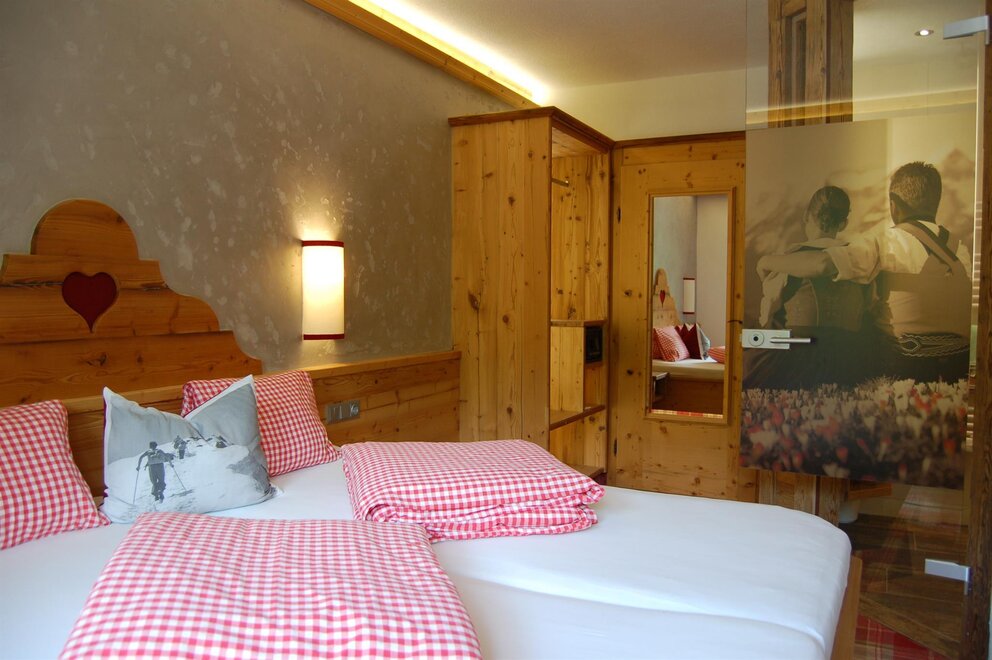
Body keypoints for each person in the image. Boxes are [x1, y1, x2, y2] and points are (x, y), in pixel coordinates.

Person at [755, 162, 971, 383]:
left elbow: (822, 264)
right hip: (957, 360)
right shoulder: (960, 249)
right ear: (936, 203)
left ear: (894, 205)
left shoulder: (885, 240)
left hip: (902, 359)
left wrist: (766, 261)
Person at [745, 186, 870, 389]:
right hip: (847, 357)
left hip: (800, 357)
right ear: (843, 223)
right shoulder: (857, 259)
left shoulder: (787, 260)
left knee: (751, 349)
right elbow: (868, 304)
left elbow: (768, 313)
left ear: (806, 216)